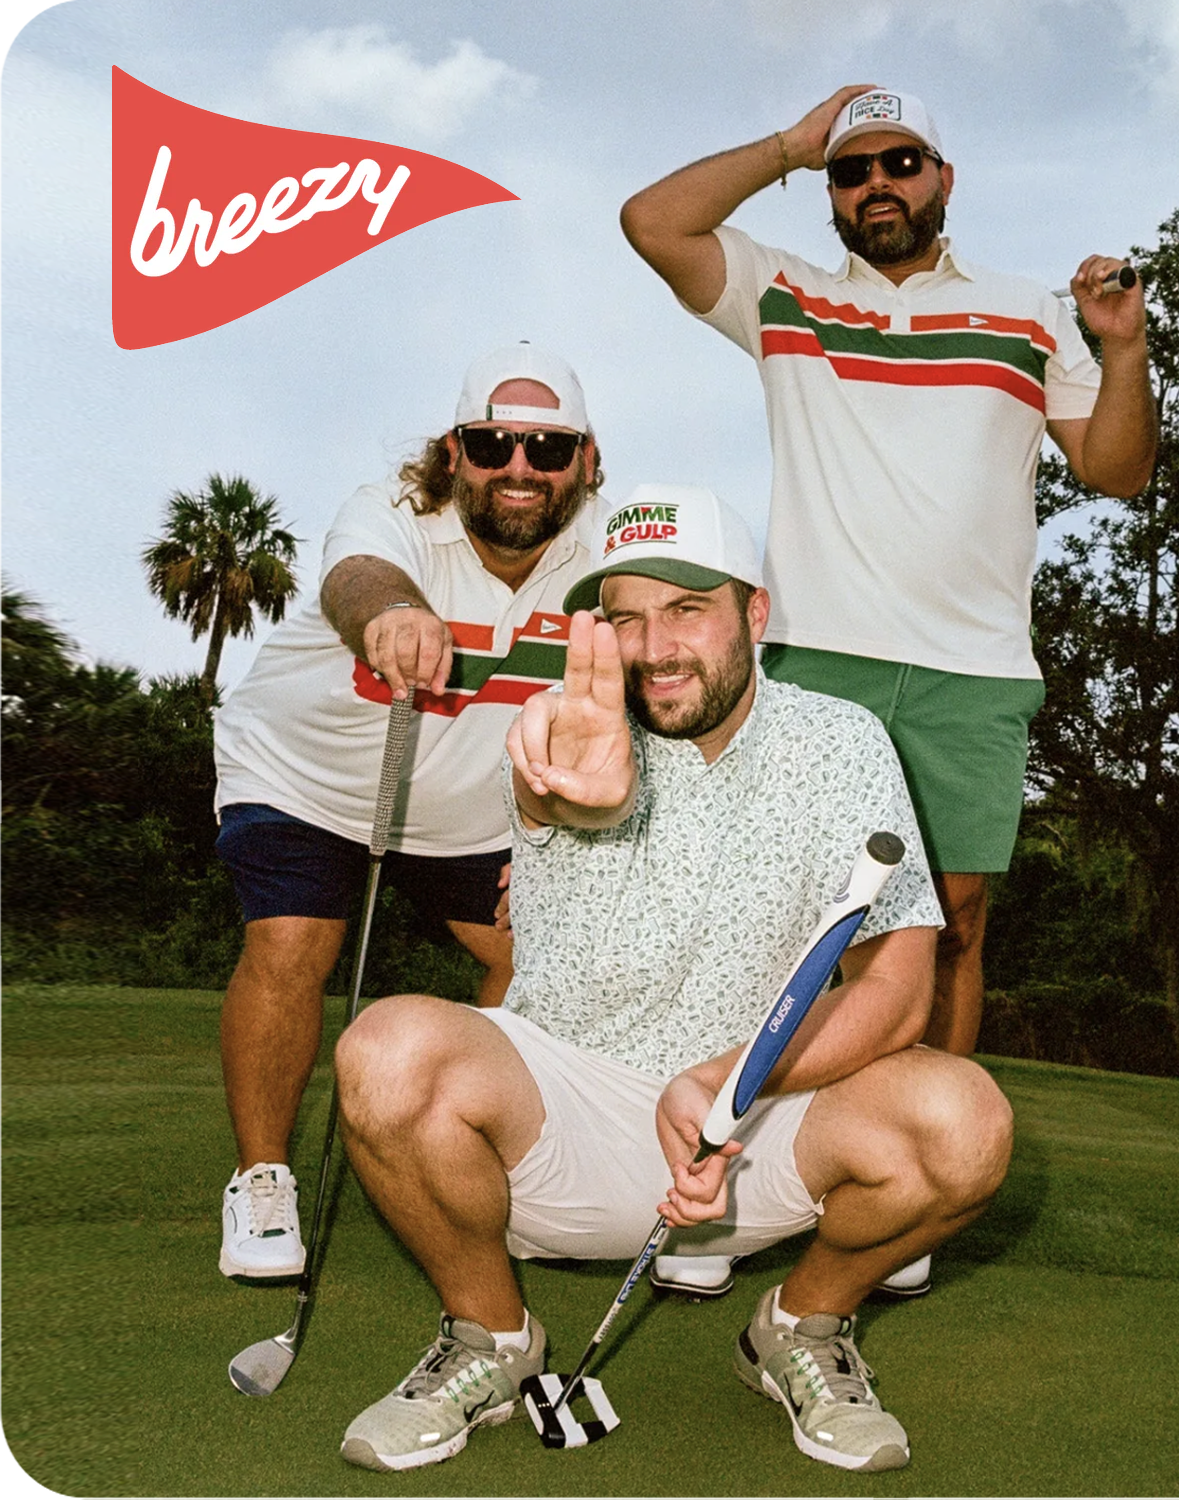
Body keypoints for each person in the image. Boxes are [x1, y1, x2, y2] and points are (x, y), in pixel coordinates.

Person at [333, 485, 1014, 1474]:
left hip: (753, 1125)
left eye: (685, 610)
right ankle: (489, 1337)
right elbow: (559, 788)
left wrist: (726, 1082)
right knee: (385, 1052)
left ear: (753, 614)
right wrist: (565, 792)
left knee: (963, 1121)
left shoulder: (842, 742)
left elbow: (898, 987)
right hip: (556, 1117)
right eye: (623, 617)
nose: (652, 646)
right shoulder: (564, 729)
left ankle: (800, 1326)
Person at [620, 86, 1157, 1061]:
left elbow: (1116, 469)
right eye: (849, 169)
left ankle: (916, 1152)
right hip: (817, 657)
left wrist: (1122, 353)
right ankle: (747, 1157)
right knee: (783, 921)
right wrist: (789, 141)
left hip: (971, 671)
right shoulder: (780, 293)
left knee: (950, 927)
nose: (874, 183)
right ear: (827, 191)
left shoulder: (1029, 317)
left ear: (941, 178)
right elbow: (651, 220)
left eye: (898, 162)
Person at [210, 343, 604, 1280]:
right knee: (293, 943)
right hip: (302, 775)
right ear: (454, 452)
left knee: (528, 957)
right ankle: (262, 1181)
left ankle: (494, 1163)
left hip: (466, 809)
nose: (519, 466)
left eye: (547, 450)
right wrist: (388, 613)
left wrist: (565, 839)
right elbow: (358, 580)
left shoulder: (602, 555)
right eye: (493, 443)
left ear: (584, 462)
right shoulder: (390, 513)